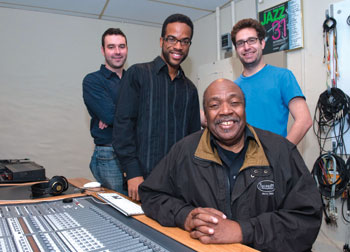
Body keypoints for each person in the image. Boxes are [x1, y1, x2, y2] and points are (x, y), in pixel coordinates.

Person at [139, 79, 322, 252]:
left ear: (244, 108)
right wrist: (185, 216)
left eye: (234, 103)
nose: (225, 111)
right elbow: (151, 195)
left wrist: (242, 231)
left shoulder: (281, 151)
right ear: (204, 114)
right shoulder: (184, 151)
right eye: (214, 105)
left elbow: (306, 218)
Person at [113, 14, 201, 201]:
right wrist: (132, 172)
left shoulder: (190, 90)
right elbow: (123, 128)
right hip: (141, 182)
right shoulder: (138, 74)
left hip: (177, 185)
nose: (178, 46)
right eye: (172, 39)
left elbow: (193, 140)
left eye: (185, 41)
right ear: (162, 40)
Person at [231, 18, 312, 145]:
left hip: (274, 160)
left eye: (252, 40)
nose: (246, 47)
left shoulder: (283, 77)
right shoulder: (234, 88)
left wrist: (281, 153)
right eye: (240, 43)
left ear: (262, 43)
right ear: (236, 49)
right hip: (242, 160)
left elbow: (304, 120)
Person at [82, 28, 128, 195]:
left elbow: (149, 111)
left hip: (133, 152)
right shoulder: (93, 80)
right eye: (111, 47)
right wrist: (112, 116)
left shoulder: (135, 80)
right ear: (103, 50)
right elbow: (109, 115)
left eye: (121, 46)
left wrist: (117, 115)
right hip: (109, 153)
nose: (117, 52)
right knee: (117, 204)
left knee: (137, 203)